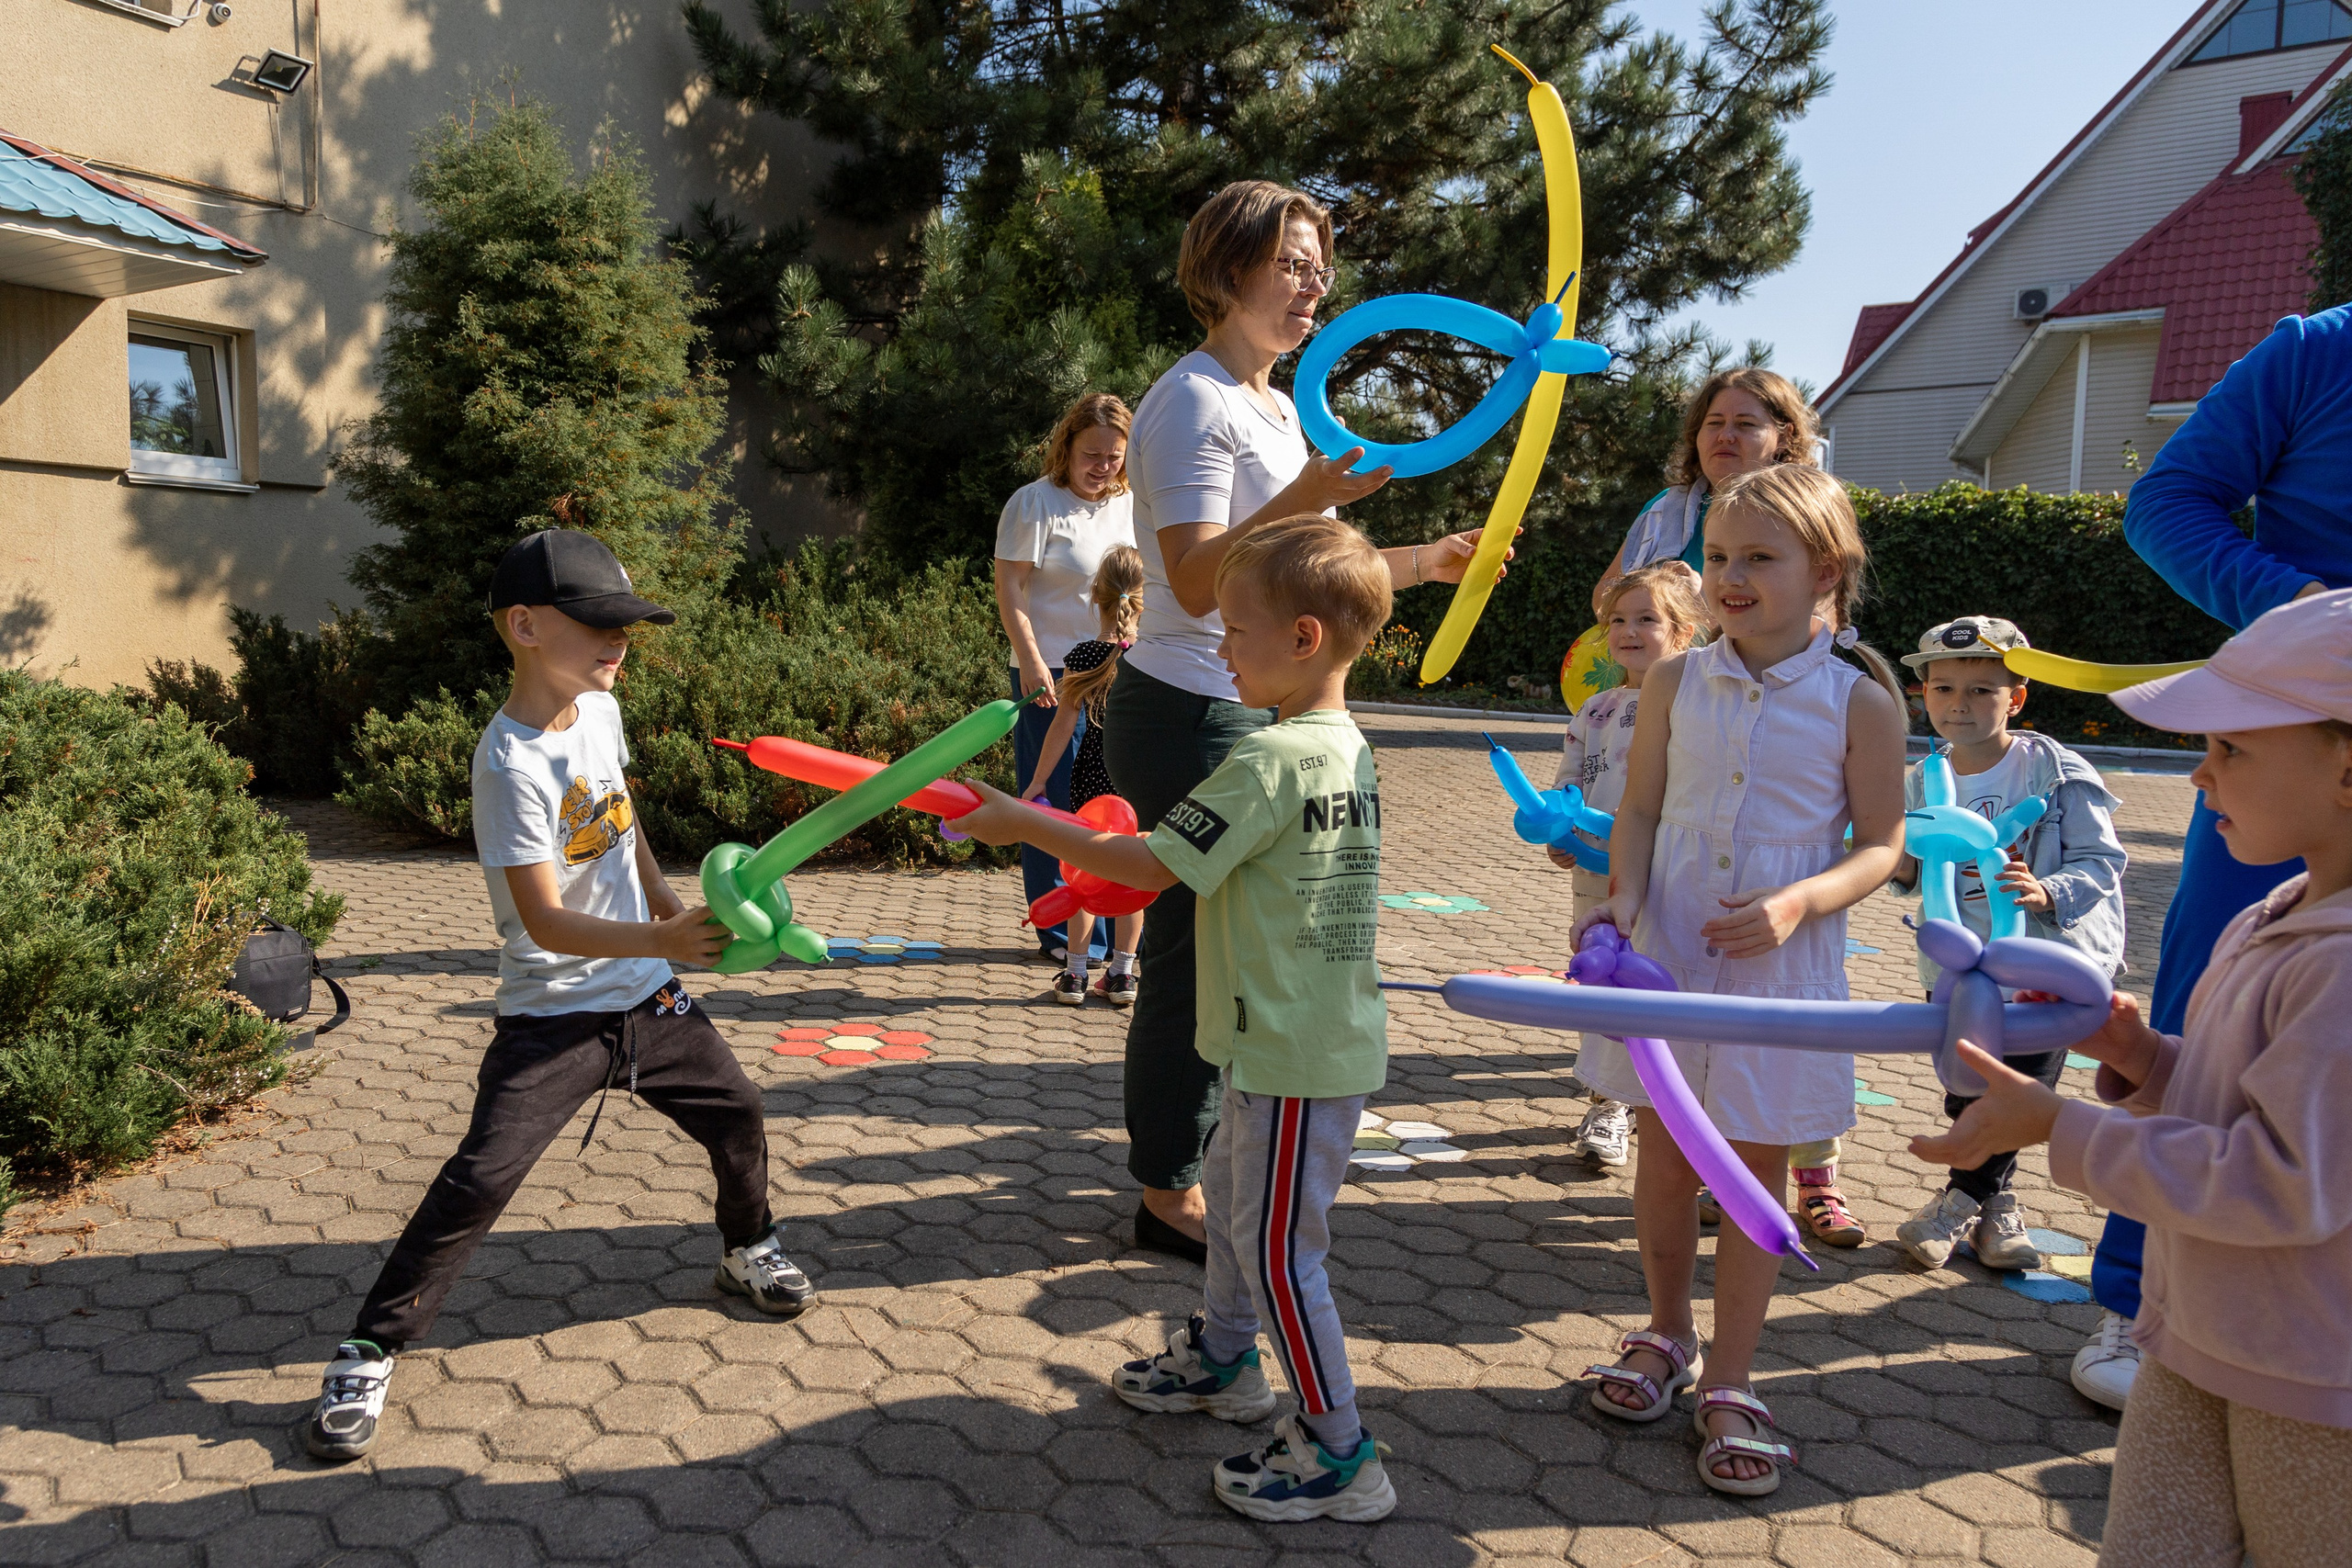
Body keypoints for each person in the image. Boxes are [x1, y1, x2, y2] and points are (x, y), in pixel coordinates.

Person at [304, 529, 811, 1463]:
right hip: (554, 1013)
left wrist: (668, 912)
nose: (618, 641)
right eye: (597, 624)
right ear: (526, 625)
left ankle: (748, 1246)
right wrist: (661, 938)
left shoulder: (599, 714)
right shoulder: (507, 765)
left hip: (647, 994)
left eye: (626, 624)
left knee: (736, 1111)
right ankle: (370, 1348)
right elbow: (542, 919)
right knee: (482, 1176)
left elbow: (621, 825)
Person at [955, 516, 1402, 1522]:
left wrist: (1022, 819)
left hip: (1295, 1057)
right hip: (1275, 1042)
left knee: (1283, 1255)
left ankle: (1340, 1452)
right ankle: (1223, 1359)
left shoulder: (1271, 760)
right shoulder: (1344, 747)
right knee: (1239, 1220)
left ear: (1303, 638)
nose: (1219, 647)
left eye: (1234, 629)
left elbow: (1155, 865)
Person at [1912, 588, 2352, 1568]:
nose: (2197, 775)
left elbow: (2279, 1179)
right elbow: (2246, 1100)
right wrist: (2144, 1058)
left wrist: (2060, 1129)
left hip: (2314, 1385)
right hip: (2192, 1335)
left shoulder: (2341, 964)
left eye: (2231, 748)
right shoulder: (2275, 909)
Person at [1109, 179, 1493, 1263]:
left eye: (1321, 261)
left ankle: (1215, 1159)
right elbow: (1189, 582)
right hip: (1193, 707)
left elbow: (1303, 577)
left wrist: (1423, 562)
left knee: (1240, 950)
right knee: (1188, 955)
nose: (1313, 279)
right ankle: (1165, 1187)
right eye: (1290, 259)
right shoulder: (1191, 400)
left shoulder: (1280, 407)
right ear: (1228, 271)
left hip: (1255, 710)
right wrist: (1309, 490)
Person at [1571, 465, 1909, 1496]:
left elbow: (1882, 844)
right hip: (1671, 952)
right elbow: (1637, 809)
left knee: (1750, 1168)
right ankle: (1665, 1332)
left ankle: (1731, 1374)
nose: (1729, 576)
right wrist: (1620, 900)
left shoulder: (1863, 701)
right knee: (1668, 1156)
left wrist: (1802, 901)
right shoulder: (1673, 681)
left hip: (1778, 971)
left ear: (1826, 569)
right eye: (1719, 556)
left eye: (1758, 557)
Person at [2075, 303, 2350, 1411]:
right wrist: (2306, 620)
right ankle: (2138, 1298)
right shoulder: (2314, 351)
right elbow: (2165, 503)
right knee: (2213, 1015)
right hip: (2294, 752)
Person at [1886, 616, 2128, 1272]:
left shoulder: (2053, 768)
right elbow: (1911, 870)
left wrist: (2048, 891)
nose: (1959, 704)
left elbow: (2103, 859)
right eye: (1943, 689)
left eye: (1982, 690)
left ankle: (1954, 1206)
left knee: (2018, 1086)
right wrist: (1887, 860)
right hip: (1956, 961)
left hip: (2044, 960)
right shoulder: (1924, 776)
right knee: (1965, 1088)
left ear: (2016, 698)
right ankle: (1997, 1211)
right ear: (1925, 695)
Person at [1545, 563, 1706, 1170]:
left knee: (1665, 982)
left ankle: (1671, 1104)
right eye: (1618, 619)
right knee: (1603, 986)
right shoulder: (1595, 710)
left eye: (1647, 619)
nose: (1628, 631)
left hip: (1672, 874)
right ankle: (1607, 1102)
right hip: (1596, 874)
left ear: (1684, 631)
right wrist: (1560, 831)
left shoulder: (1698, 703)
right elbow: (1568, 783)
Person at [994, 392, 1138, 962]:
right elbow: (1012, 590)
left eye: (1114, 455)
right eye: (1092, 453)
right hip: (1051, 669)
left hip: (1119, 668)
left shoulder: (1132, 506)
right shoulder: (1034, 504)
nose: (1103, 465)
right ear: (1067, 448)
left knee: (1109, 801)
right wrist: (1030, 659)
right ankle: (1060, 932)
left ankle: (1112, 930)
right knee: (1049, 800)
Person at [1019, 545, 1148, 1007]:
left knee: (1085, 874)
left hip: (1092, 781)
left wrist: (1037, 781)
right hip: (1138, 783)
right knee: (1133, 875)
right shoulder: (1153, 659)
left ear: (1095, 596)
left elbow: (1061, 726)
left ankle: (1074, 975)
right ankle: (1123, 974)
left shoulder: (1085, 655)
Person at [1589, 367, 1819, 620]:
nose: (1725, 436)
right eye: (1714, 423)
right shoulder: (1665, 507)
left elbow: (1818, 619)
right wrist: (1651, 592)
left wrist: (1697, 605)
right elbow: (1604, 596)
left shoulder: (1801, 515)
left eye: (1745, 424)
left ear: (1785, 437)